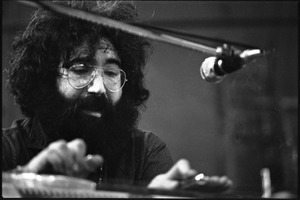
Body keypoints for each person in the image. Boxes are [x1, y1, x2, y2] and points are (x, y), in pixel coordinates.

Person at [2, 0, 232, 191]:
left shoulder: (145, 151)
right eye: (81, 69)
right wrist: (25, 182)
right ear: (45, 80)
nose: (99, 88)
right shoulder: (7, 149)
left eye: (111, 72)